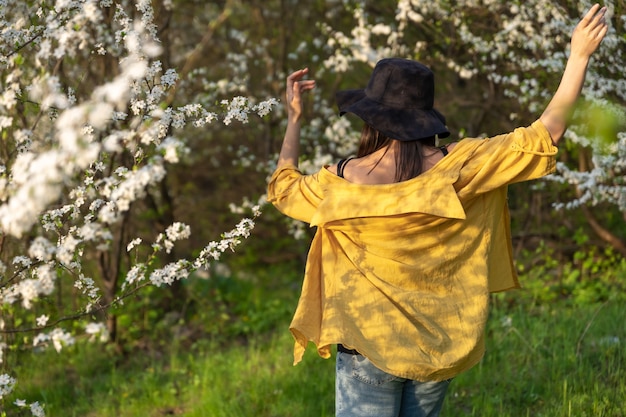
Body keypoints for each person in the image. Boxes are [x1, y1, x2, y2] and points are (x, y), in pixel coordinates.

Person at [267, 4, 608, 417]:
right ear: (425, 117)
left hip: (366, 344)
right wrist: (578, 56)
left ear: (371, 118)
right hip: (438, 346)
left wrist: (294, 119)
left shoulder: (339, 183)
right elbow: (546, 134)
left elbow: (283, 188)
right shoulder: (462, 167)